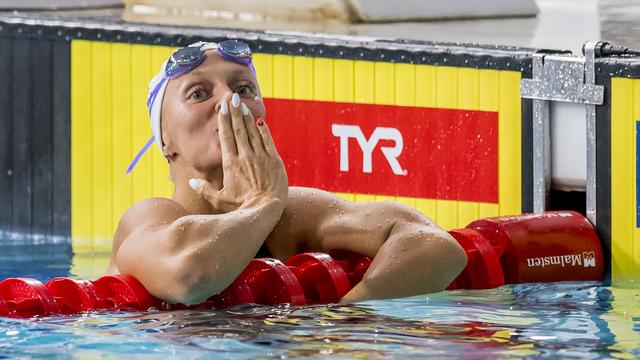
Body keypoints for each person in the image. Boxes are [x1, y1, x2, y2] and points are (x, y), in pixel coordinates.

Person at [106, 40, 467, 305]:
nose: (228, 102)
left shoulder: (290, 214)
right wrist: (262, 203)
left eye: (243, 88)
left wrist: (350, 320)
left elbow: (435, 246)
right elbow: (190, 277)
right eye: (199, 93)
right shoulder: (149, 219)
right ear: (165, 139)